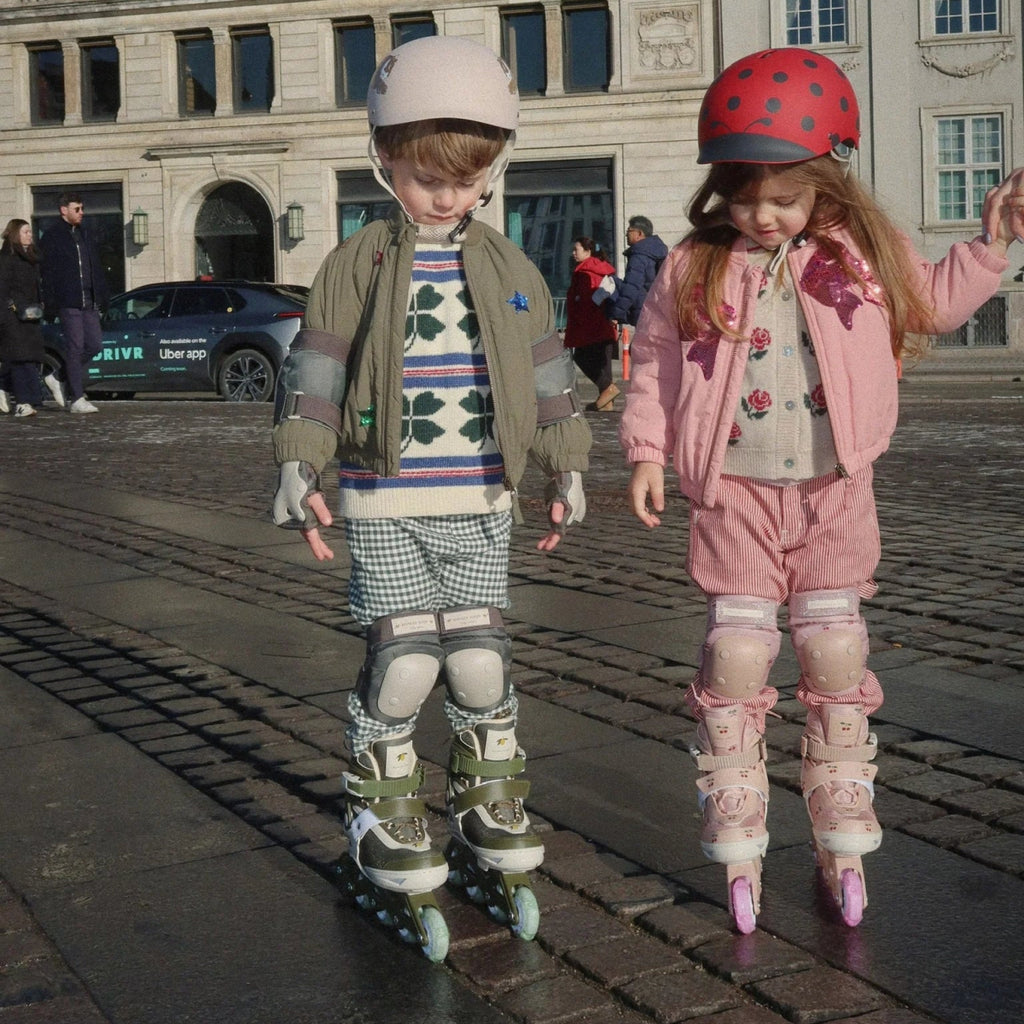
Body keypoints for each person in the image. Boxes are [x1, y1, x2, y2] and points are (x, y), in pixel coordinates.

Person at [619, 47, 1023, 934]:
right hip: (734, 493)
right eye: (745, 194)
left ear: (825, 187)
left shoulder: (858, 255)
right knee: (737, 657)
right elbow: (650, 359)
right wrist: (647, 449)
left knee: (836, 652)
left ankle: (841, 796)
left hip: (836, 489)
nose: (762, 215)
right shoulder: (694, 263)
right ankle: (734, 802)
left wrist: (993, 245)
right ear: (719, 186)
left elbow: (930, 303)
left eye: (785, 198)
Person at [270, 35, 591, 959]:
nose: (446, 194)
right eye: (423, 175)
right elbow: (316, 365)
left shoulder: (510, 268)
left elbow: (549, 375)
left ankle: (489, 799)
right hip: (383, 493)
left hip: (481, 493)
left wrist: (567, 463)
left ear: (494, 168)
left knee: (481, 656)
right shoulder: (357, 262)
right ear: (385, 162)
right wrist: (300, 461)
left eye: (465, 175)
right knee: (407, 657)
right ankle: (384, 810)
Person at [39, 192, 109, 414]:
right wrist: (50, 302)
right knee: (75, 346)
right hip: (68, 300)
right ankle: (77, 398)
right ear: (64, 210)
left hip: (89, 299)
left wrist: (102, 294)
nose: (82, 213)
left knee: (95, 344)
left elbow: (94, 265)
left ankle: (58, 376)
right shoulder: (52, 236)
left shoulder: (85, 233)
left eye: (82, 209)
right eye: (77, 209)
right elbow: (47, 273)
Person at [563, 236, 620, 411]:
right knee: (603, 364)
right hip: (603, 325)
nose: (573, 253)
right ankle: (606, 402)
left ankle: (608, 391)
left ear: (588, 252)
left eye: (576, 250)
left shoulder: (586, 272)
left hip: (590, 325)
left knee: (582, 357)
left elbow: (588, 301)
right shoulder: (599, 269)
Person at [0, 219, 49, 418]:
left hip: (31, 316)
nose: (30, 235)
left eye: (30, 231)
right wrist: (7, 313)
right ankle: (23, 402)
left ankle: (21, 395)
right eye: (26, 231)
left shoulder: (32, 259)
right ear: (15, 234)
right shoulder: (6, 259)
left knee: (29, 359)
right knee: (20, 359)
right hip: (12, 317)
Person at [607, 215, 668, 327]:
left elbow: (632, 286)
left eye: (629, 231)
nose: (626, 234)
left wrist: (616, 314)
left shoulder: (639, 255)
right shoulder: (657, 252)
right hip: (659, 309)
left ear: (639, 233)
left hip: (644, 312)